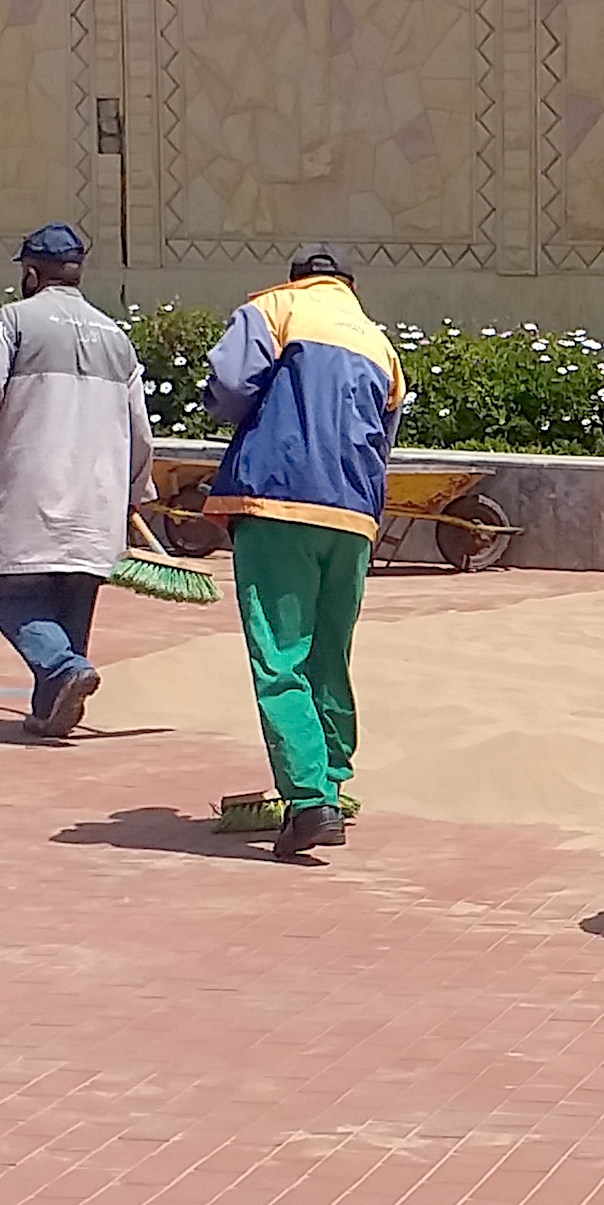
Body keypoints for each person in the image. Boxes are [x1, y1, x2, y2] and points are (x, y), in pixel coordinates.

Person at [200, 242, 406, 858]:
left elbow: (231, 387)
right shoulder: (378, 342)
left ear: (297, 279)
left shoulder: (275, 310)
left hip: (278, 500)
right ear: (347, 284)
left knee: (280, 655)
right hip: (353, 514)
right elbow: (385, 433)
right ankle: (333, 780)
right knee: (328, 654)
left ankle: (310, 801)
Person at [0, 223, 155, 739]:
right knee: (72, 605)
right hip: (97, 502)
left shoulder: (15, 321)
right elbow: (141, 433)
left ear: (31, 273)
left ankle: (63, 671)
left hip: (33, 494)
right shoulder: (116, 339)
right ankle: (51, 708)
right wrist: (134, 494)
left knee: (16, 599)